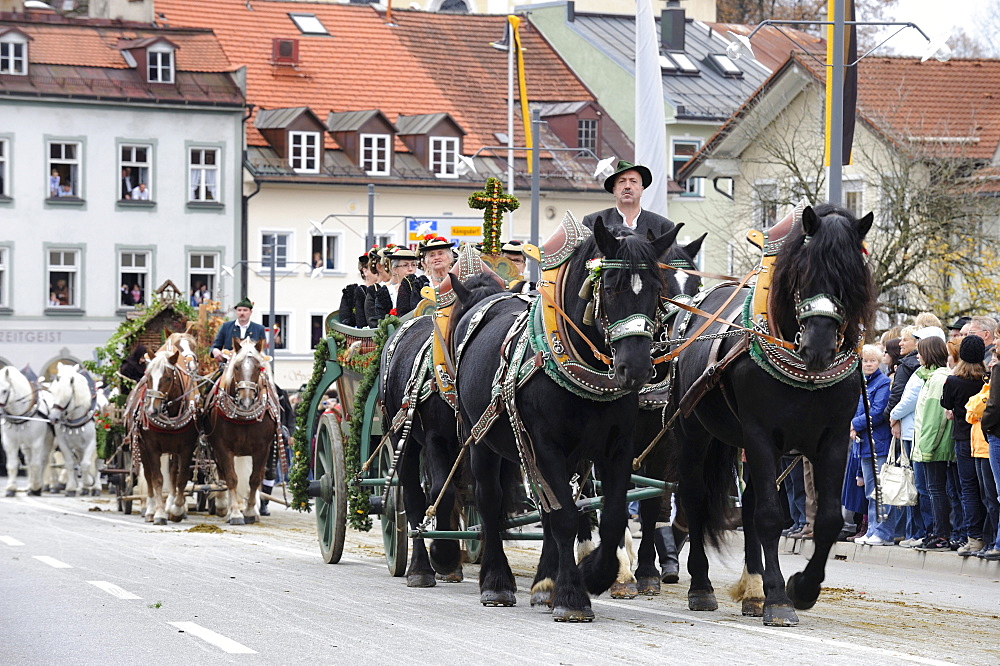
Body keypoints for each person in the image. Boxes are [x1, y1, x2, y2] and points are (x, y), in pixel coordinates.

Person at [941, 334, 989, 555]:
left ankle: (974, 537)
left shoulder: (953, 381)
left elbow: (946, 403)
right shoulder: (986, 379)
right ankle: (990, 536)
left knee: (968, 488)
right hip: (984, 438)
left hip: (962, 438)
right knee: (986, 489)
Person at [909, 336, 957, 551]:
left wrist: (926, 449)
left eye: (920, 352)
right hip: (930, 445)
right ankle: (937, 532)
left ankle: (941, 534)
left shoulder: (938, 379)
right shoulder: (931, 377)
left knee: (936, 490)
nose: (917, 356)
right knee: (934, 489)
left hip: (934, 447)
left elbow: (933, 420)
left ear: (928, 354)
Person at [851, 344, 899, 546]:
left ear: (879, 363)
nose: (868, 364)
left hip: (878, 442)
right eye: (865, 360)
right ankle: (872, 529)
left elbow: (878, 412)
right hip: (863, 445)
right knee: (870, 490)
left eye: (872, 361)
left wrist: (854, 424)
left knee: (880, 490)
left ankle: (884, 532)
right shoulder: (862, 383)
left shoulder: (881, 383)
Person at [581, 160, 675, 236]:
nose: (627, 186)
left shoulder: (663, 226)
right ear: (614, 190)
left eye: (633, 181)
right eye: (622, 181)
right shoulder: (592, 222)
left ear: (641, 190)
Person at [211, 297, 267, 361]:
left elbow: (263, 351)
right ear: (236, 312)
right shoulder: (226, 327)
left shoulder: (259, 329)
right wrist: (215, 350)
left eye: (245, 310)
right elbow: (216, 346)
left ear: (250, 312)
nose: (242, 313)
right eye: (239, 310)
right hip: (228, 364)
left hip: (252, 366)